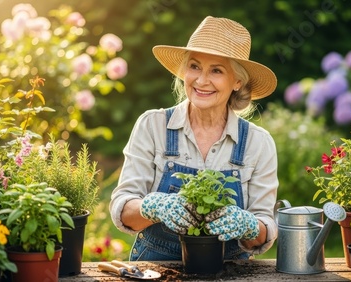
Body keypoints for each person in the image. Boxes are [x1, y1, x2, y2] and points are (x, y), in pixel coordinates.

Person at [110, 16, 279, 261]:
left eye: (217, 71)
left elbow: (264, 233)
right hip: (156, 269)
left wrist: (249, 225)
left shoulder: (258, 143)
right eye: (194, 66)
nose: (201, 80)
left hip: (230, 273)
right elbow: (123, 210)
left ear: (237, 82)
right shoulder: (153, 125)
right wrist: (153, 206)